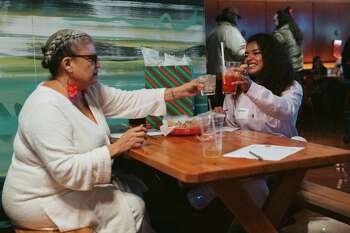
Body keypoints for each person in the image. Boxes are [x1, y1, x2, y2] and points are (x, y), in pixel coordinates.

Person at [1, 29, 202, 233]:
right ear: (68, 64)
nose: (99, 64)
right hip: (38, 199)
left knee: (134, 187)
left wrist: (179, 91)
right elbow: (66, 170)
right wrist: (116, 148)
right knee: (132, 206)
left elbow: (128, 100)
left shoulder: (87, 91)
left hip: (64, 189)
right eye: (92, 58)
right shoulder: (45, 107)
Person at [223, 33, 303, 207]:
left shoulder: (290, 86)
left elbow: (285, 110)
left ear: (271, 55)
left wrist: (250, 87)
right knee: (233, 176)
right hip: (246, 156)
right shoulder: (237, 87)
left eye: (256, 53)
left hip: (279, 158)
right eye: (246, 54)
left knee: (248, 181)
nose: (249, 58)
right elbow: (230, 124)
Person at [206, 7, 246, 112]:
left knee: (216, 111)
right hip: (226, 79)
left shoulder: (212, 31)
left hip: (210, 79)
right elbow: (240, 52)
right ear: (233, 17)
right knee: (228, 111)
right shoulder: (230, 31)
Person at [273, 6, 304, 81]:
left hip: (288, 69)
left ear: (280, 20)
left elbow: (275, 51)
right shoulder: (294, 29)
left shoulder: (280, 33)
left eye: (275, 20)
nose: (274, 23)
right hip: (299, 67)